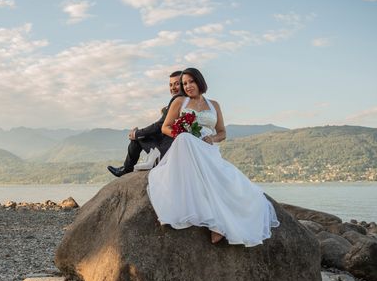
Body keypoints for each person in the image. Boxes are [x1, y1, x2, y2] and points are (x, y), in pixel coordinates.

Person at [147, 67, 279, 246]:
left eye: (191, 82)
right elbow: (166, 127)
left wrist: (212, 138)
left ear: (199, 82)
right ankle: (215, 222)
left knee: (237, 187)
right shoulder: (180, 102)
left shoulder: (214, 105)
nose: (187, 86)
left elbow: (222, 132)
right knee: (186, 139)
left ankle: (220, 221)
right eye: (184, 84)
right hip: (186, 148)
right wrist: (181, 133)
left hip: (208, 149)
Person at [107, 71, 183, 177]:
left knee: (137, 139)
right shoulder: (187, 101)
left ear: (183, 84)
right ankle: (126, 168)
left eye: (176, 84)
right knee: (140, 135)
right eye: (170, 85)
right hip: (173, 143)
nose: (173, 88)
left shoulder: (177, 100)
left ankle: (126, 169)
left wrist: (137, 133)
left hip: (168, 148)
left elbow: (160, 126)